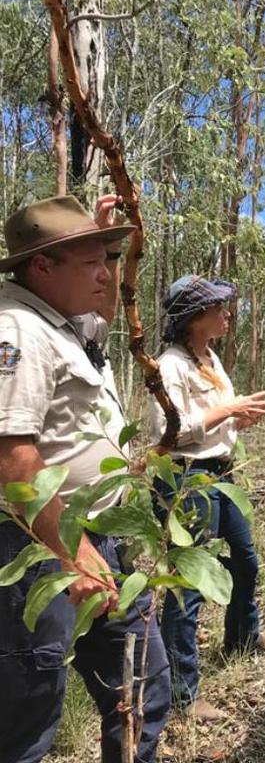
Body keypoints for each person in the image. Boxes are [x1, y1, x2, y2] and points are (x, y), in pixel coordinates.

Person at [0, 195, 171, 762]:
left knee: (141, 690)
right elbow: (11, 456)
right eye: (91, 262)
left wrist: (105, 241)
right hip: (40, 550)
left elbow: (111, 306)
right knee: (28, 716)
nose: (107, 274)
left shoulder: (65, 325)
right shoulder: (18, 330)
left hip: (98, 544)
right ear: (42, 268)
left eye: (109, 258)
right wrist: (70, 551)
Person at [148, 274, 265, 720]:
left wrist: (236, 420)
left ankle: (244, 634)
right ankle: (182, 694)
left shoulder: (209, 358)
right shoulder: (170, 365)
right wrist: (228, 409)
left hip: (221, 476)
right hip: (186, 481)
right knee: (187, 587)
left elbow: (213, 422)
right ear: (194, 316)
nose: (227, 314)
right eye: (219, 308)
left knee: (244, 560)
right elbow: (168, 433)